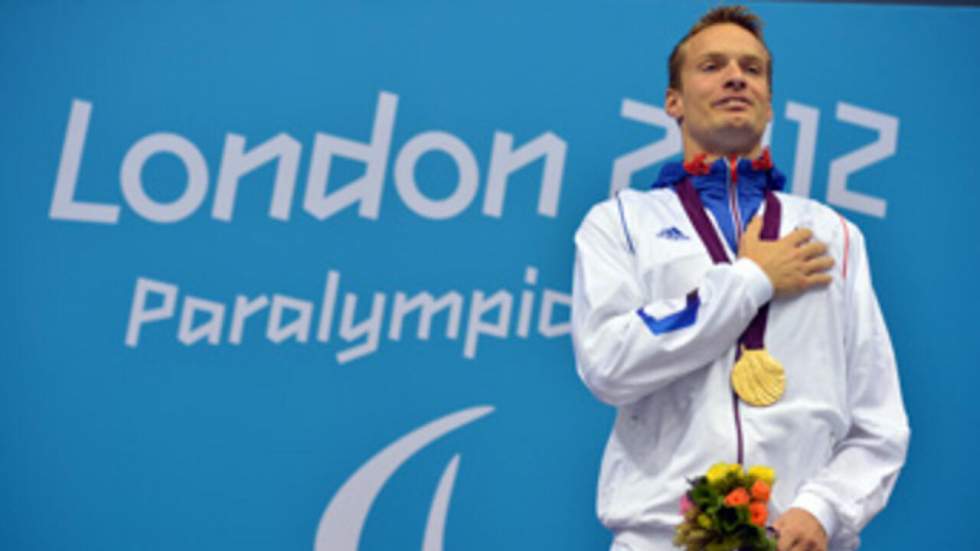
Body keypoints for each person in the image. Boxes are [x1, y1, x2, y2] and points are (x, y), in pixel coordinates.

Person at [570, 6, 909, 551]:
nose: (735, 76)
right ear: (673, 101)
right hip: (663, 539)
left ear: (769, 101)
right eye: (712, 65)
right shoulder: (621, 223)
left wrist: (822, 509)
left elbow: (879, 422)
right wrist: (751, 279)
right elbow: (607, 361)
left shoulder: (833, 234)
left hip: (797, 538)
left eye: (752, 69)